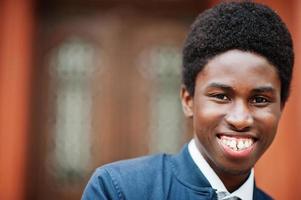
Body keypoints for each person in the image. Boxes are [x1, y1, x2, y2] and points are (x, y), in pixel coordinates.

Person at [82, 1, 294, 200]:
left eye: (259, 99)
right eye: (221, 96)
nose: (240, 119)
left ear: (281, 107)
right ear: (188, 100)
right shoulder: (119, 190)